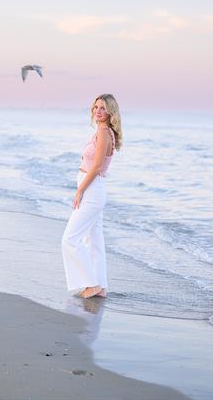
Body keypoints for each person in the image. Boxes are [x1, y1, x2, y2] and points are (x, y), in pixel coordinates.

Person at [61, 93, 122, 299]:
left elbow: (95, 167)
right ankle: (100, 286)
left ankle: (91, 284)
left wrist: (80, 190)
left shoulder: (104, 133)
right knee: (94, 241)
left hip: (92, 189)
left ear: (110, 112)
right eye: (96, 107)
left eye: (103, 108)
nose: (98, 111)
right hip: (94, 188)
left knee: (70, 239)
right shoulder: (102, 132)